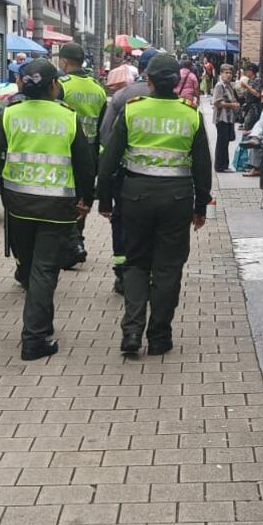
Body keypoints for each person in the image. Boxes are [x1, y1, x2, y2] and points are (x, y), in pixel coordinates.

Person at [0, 58, 97, 361]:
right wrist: (87, 199)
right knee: (45, 270)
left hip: (18, 205)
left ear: (22, 85)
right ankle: (35, 337)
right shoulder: (68, 117)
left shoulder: (11, 114)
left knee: (29, 264)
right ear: (54, 86)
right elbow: (85, 164)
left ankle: (39, 325)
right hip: (57, 206)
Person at [97, 53, 213, 356]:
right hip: (177, 199)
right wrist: (201, 206)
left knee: (136, 262)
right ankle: (160, 336)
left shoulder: (132, 110)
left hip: (135, 196)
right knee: (168, 267)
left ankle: (132, 332)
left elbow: (109, 159)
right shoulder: (191, 114)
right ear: (177, 82)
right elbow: (203, 166)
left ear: (147, 80)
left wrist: (104, 199)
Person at [102, 49, 161, 294]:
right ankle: (149, 271)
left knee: (122, 221)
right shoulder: (173, 100)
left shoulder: (122, 96)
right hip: (163, 179)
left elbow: (106, 136)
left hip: (126, 175)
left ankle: (122, 273)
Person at [58, 43, 109, 266]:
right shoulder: (98, 88)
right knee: (82, 197)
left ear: (64, 61)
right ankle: (78, 238)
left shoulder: (61, 85)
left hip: (65, 149)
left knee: (64, 198)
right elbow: (102, 126)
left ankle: (69, 244)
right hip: (89, 151)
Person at [211, 64, 240, 172]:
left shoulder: (229, 86)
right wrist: (232, 105)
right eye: (226, 73)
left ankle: (224, 165)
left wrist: (235, 105)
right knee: (222, 142)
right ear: (221, 74)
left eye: (230, 73)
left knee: (226, 141)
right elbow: (217, 102)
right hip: (221, 118)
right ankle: (220, 166)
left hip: (229, 117)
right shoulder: (219, 86)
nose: (228, 75)